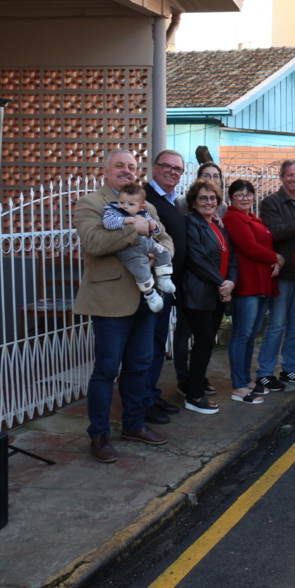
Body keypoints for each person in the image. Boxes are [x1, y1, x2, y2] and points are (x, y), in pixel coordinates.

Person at [74, 149, 172, 462]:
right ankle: (99, 436)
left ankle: (133, 424)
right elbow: (93, 243)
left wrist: (157, 252)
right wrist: (134, 231)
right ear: (105, 171)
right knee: (105, 371)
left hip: (145, 299)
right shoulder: (92, 203)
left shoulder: (146, 205)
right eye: (120, 166)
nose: (127, 171)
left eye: (131, 167)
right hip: (109, 302)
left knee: (139, 366)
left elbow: (166, 238)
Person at [255, 160, 295, 392]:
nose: (294, 179)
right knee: (277, 325)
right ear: (282, 177)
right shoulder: (271, 202)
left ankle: (290, 367)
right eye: (290, 175)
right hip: (283, 274)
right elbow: (275, 233)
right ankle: (264, 373)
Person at [222, 179, 284, 404]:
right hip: (247, 286)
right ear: (231, 197)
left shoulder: (253, 218)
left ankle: (246, 379)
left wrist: (274, 260)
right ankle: (238, 385)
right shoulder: (232, 218)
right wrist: (276, 258)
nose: (245, 197)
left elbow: (266, 245)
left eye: (248, 194)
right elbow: (249, 247)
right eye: (239, 194)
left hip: (262, 283)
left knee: (251, 334)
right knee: (242, 334)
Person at [179, 179, 238, 414]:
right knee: (203, 343)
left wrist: (231, 282)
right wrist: (222, 283)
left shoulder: (218, 225)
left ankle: (196, 387)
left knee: (206, 344)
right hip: (198, 295)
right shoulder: (190, 223)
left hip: (216, 294)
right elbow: (197, 258)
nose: (209, 202)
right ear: (194, 201)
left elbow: (231, 257)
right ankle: (194, 396)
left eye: (213, 198)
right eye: (203, 198)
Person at [143, 149, 187, 424]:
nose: (172, 172)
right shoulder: (146, 198)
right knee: (147, 346)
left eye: (177, 169)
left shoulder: (172, 201)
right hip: (151, 285)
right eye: (167, 167)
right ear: (155, 168)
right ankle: (142, 401)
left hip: (167, 284)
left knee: (159, 343)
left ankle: (150, 394)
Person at [101, 183, 174, 312]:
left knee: (163, 251)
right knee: (141, 268)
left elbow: (159, 232)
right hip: (130, 250)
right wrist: (125, 221)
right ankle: (150, 294)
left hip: (148, 244)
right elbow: (107, 223)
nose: (124, 206)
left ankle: (164, 278)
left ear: (141, 206)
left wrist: (153, 226)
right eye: (122, 202)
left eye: (130, 204)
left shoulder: (144, 212)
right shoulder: (114, 211)